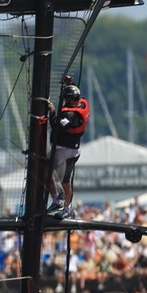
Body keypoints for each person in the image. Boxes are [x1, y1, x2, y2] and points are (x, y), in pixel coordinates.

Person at [47, 82, 90, 218]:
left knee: (64, 180)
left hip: (67, 152)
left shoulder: (71, 115)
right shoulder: (82, 104)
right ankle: (58, 201)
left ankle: (66, 207)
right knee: (47, 172)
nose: (64, 102)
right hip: (65, 150)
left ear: (71, 100)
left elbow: (56, 124)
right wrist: (69, 84)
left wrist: (52, 111)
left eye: (66, 99)